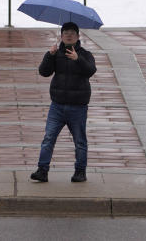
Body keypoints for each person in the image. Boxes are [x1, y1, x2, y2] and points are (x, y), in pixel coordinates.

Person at [30, 20, 96, 184]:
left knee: (80, 141)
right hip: (57, 106)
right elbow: (44, 72)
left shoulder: (85, 54)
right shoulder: (56, 53)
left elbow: (90, 71)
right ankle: (42, 171)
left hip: (78, 108)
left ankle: (80, 172)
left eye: (72, 34)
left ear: (78, 36)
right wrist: (49, 55)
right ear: (61, 36)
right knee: (48, 139)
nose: (68, 36)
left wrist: (77, 59)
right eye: (65, 33)